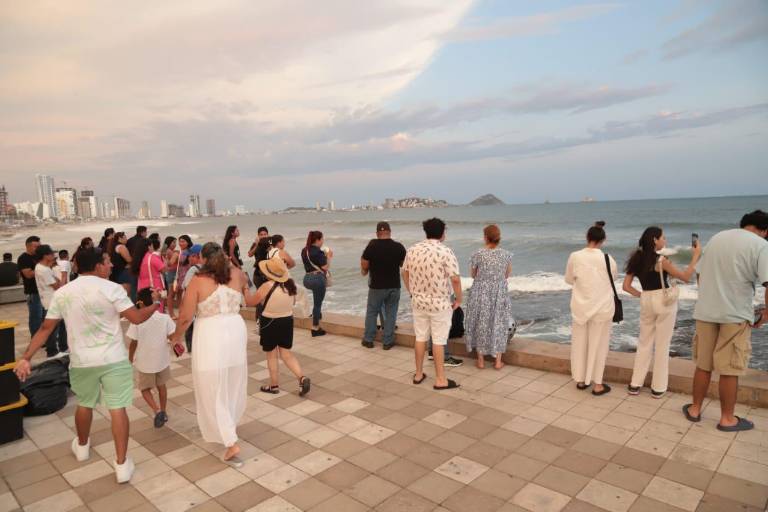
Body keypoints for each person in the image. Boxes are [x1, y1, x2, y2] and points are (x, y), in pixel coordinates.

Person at [14, 247, 159, 484]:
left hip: (82, 361)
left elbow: (46, 328)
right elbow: (137, 318)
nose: (111, 265)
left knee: (85, 403)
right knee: (118, 408)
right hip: (113, 359)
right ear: (98, 265)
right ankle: (122, 465)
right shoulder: (112, 289)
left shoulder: (64, 292)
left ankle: (81, 446)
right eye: (107, 261)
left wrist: (26, 357)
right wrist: (155, 306)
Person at [683, 210, 768, 432]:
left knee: (704, 364)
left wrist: (710, 295)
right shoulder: (760, 245)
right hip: (735, 315)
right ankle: (727, 419)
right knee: (729, 368)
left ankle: (694, 409)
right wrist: (766, 313)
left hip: (706, 312)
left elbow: (699, 273)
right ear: (765, 230)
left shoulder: (717, 238)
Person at [170, 242, 249, 466]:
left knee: (211, 385)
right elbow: (247, 297)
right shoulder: (238, 274)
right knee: (232, 380)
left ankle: (230, 440)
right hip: (235, 330)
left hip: (211, 334)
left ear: (203, 259)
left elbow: (185, 317)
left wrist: (175, 337)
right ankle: (229, 426)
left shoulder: (197, 281)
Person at [623, 227, 701, 398]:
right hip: (664, 301)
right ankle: (658, 388)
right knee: (662, 345)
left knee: (644, 343)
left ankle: (635, 384)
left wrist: (642, 295)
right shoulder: (662, 260)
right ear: (655, 240)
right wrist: (695, 257)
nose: (665, 241)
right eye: (663, 238)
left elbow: (626, 286)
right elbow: (685, 277)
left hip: (647, 300)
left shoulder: (635, 259)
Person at [402, 218, 462, 390]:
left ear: (426, 232)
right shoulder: (445, 251)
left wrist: (412, 291)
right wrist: (459, 299)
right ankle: (441, 379)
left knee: (420, 337)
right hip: (440, 303)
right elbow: (455, 279)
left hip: (419, 301)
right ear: (442, 233)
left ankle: (419, 374)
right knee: (438, 340)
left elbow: (404, 272)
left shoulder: (413, 249)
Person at [564, 221, 616, 396]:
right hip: (602, 308)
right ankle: (597, 384)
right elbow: (612, 279)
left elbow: (569, 279)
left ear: (587, 237)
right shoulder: (608, 259)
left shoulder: (575, 256)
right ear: (604, 239)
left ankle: (580, 380)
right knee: (599, 346)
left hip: (580, 307)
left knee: (580, 344)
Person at [253, 257, 310, 396]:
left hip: (270, 322)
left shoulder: (266, 286)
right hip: (287, 321)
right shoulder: (290, 285)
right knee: (286, 354)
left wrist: (243, 289)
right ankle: (302, 377)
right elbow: (293, 302)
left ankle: (274, 385)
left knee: (272, 355)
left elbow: (251, 301)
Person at [465, 225, 513, 370]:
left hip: (480, 292)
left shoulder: (478, 254)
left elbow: (473, 275)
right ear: (499, 238)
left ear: (485, 237)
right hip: (499, 292)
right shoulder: (506, 254)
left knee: (481, 322)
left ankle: (480, 361)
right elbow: (506, 274)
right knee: (498, 323)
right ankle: (498, 362)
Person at [127, 288, 176, 428]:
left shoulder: (136, 321)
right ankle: (164, 411)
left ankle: (157, 410)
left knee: (145, 389)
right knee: (162, 386)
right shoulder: (165, 318)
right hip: (162, 360)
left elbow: (133, 343)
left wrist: (130, 358)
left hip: (144, 362)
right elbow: (173, 337)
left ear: (141, 304)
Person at [360, 222, 406, 350]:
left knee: (372, 312)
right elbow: (404, 265)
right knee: (391, 313)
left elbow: (364, 264)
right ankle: (387, 342)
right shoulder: (399, 247)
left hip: (376, 287)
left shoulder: (371, 247)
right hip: (394, 286)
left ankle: (368, 340)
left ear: (377, 233)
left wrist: (367, 269)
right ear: (390, 232)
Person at [35, 244, 68, 357]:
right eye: (51, 253)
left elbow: (56, 281)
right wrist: (61, 278)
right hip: (50, 302)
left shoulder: (44, 268)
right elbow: (57, 285)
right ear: (45, 256)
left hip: (52, 301)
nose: (54, 255)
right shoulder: (43, 270)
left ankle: (63, 347)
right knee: (52, 329)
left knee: (60, 326)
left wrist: (58, 280)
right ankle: (52, 351)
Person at [301, 231, 332, 337]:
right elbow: (325, 267)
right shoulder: (318, 252)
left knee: (316, 299)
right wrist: (328, 256)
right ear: (318, 240)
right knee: (318, 303)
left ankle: (317, 315)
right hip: (317, 279)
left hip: (307, 278)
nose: (323, 241)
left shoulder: (304, 250)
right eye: (322, 239)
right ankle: (315, 328)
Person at [180, 244, 203, 353]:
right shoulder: (209, 268)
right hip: (201, 303)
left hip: (191, 304)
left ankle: (191, 349)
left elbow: (186, 286)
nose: (189, 258)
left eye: (191, 256)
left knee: (190, 327)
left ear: (198, 256)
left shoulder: (193, 269)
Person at [18, 236, 42, 336]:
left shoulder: (38, 257)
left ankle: (44, 338)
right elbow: (28, 274)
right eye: (35, 246)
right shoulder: (23, 258)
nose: (38, 249)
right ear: (28, 246)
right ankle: (35, 337)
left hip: (43, 291)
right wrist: (42, 269)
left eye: (39, 246)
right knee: (35, 317)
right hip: (33, 292)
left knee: (44, 316)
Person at [134, 238, 166, 311]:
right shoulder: (152, 257)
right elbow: (163, 269)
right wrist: (164, 259)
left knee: (143, 309)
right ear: (148, 247)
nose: (152, 247)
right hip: (154, 287)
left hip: (141, 287)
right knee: (157, 309)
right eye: (151, 246)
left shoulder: (137, 258)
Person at [126, 226, 148, 301]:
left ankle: (134, 303)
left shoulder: (129, 241)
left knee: (134, 286)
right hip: (142, 265)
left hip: (133, 265)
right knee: (142, 286)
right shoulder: (144, 241)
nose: (146, 234)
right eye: (146, 232)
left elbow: (127, 252)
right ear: (143, 232)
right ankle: (141, 302)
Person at [162, 236, 178, 317]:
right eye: (173, 242)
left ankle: (171, 313)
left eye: (175, 242)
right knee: (171, 294)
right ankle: (171, 313)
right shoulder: (170, 252)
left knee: (170, 294)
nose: (175, 244)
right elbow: (171, 263)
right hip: (172, 273)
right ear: (169, 243)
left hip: (168, 272)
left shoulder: (165, 250)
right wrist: (176, 254)